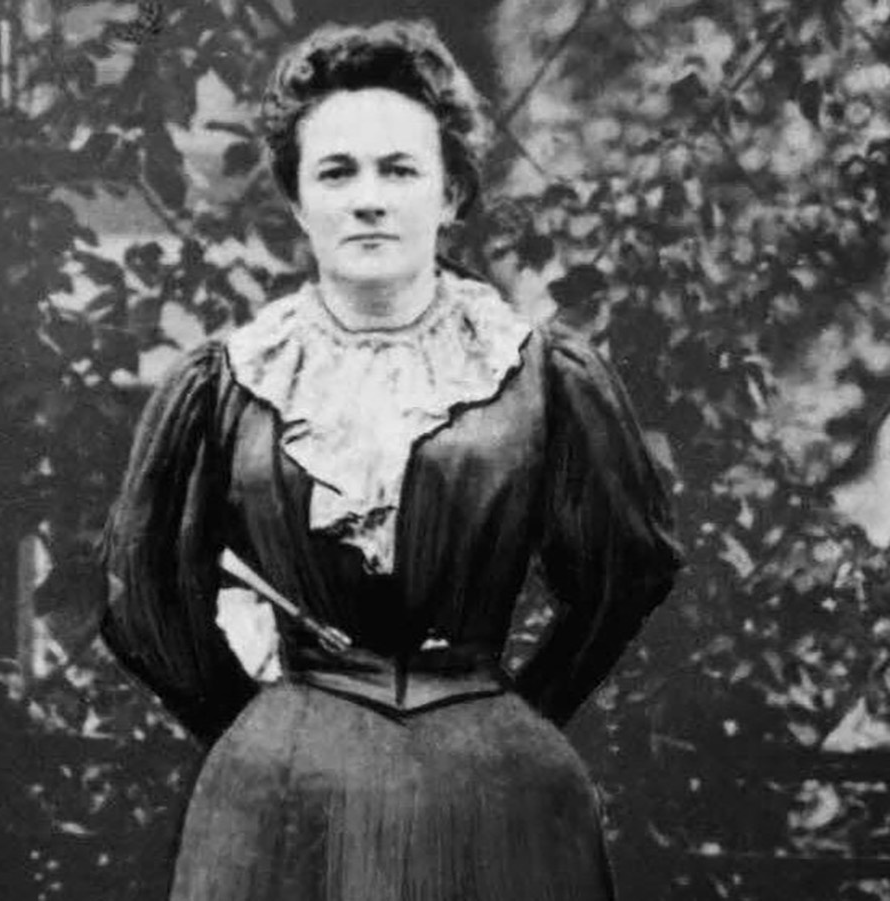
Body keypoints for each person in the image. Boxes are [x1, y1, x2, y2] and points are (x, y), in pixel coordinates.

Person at [99, 19, 684, 901]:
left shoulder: (539, 374)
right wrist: (269, 725)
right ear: (298, 200)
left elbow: (625, 570)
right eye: (337, 172)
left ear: (451, 194)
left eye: (400, 170)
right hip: (279, 795)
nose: (368, 199)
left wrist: (509, 715)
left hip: (499, 792)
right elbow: (141, 592)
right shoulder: (228, 383)